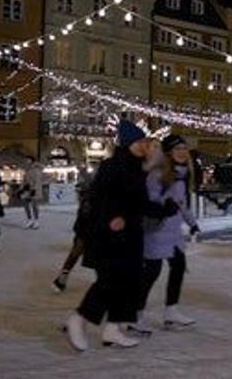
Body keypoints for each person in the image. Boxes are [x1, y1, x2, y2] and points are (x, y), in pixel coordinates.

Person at [64, 122, 177, 352]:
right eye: (143, 142)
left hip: (130, 235)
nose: (147, 145)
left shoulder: (136, 168)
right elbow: (100, 198)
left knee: (128, 281)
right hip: (110, 236)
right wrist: (113, 217)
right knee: (110, 282)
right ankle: (79, 318)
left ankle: (113, 329)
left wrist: (164, 209)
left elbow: (138, 203)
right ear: (132, 144)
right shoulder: (113, 166)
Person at [138, 134, 199, 329]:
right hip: (157, 230)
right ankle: (135, 312)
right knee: (152, 272)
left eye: (184, 148)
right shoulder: (158, 174)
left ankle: (171, 311)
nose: (182, 152)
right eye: (177, 149)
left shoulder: (182, 174)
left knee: (178, 266)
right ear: (168, 153)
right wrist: (166, 206)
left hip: (172, 232)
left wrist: (192, 223)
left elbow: (181, 204)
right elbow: (151, 200)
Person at [52, 179, 92, 292]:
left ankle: (62, 278)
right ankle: (62, 278)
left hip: (91, 225)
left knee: (78, 251)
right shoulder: (89, 201)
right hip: (87, 227)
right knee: (77, 250)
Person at [20, 160, 44, 228]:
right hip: (27, 190)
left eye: (27, 160)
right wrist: (21, 189)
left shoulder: (36, 170)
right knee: (26, 205)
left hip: (34, 190)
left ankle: (36, 221)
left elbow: (37, 181)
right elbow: (24, 181)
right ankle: (29, 220)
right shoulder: (27, 170)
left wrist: (34, 189)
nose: (26, 161)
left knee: (34, 205)